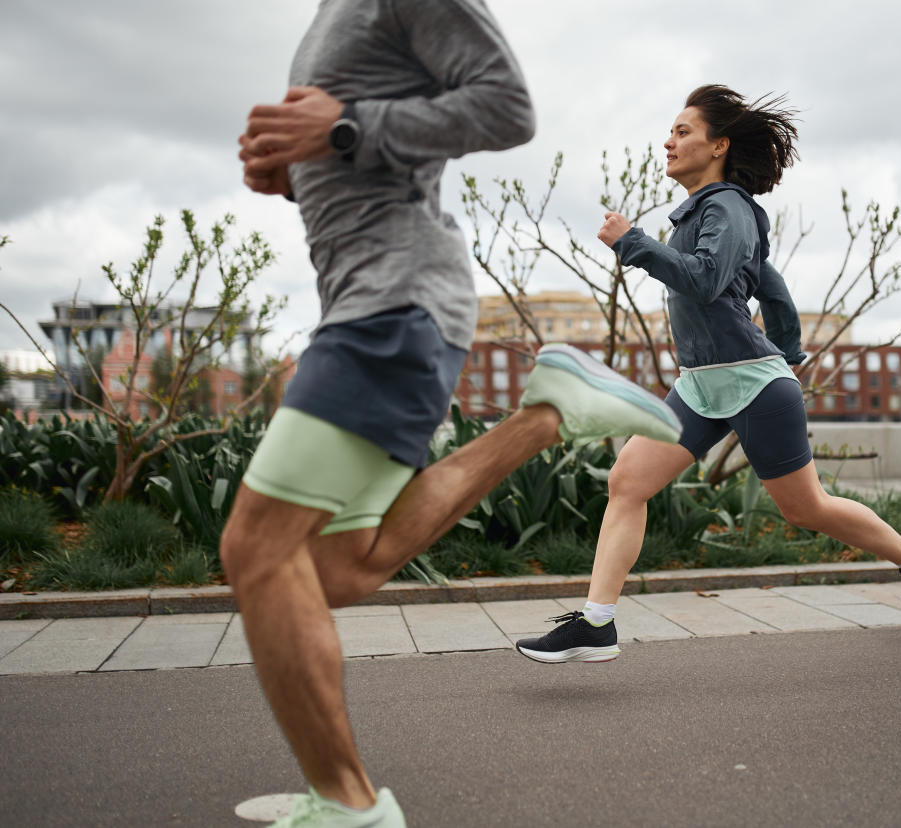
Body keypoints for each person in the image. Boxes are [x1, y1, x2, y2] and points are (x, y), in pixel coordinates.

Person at [222, 3, 682, 826]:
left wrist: (343, 129)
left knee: (255, 546)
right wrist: (295, 167)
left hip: (392, 303)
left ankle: (349, 807)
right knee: (335, 571)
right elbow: (357, 147)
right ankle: (546, 415)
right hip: (367, 302)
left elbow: (507, 107)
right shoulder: (334, 15)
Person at [515, 85, 901, 665]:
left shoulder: (728, 207)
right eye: (670, 132)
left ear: (718, 144)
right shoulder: (710, 210)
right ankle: (597, 624)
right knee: (627, 482)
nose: (669, 142)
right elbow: (772, 288)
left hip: (751, 383)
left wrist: (633, 243)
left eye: (683, 131)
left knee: (806, 509)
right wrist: (792, 345)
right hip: (700, 383)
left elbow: (702, 279)